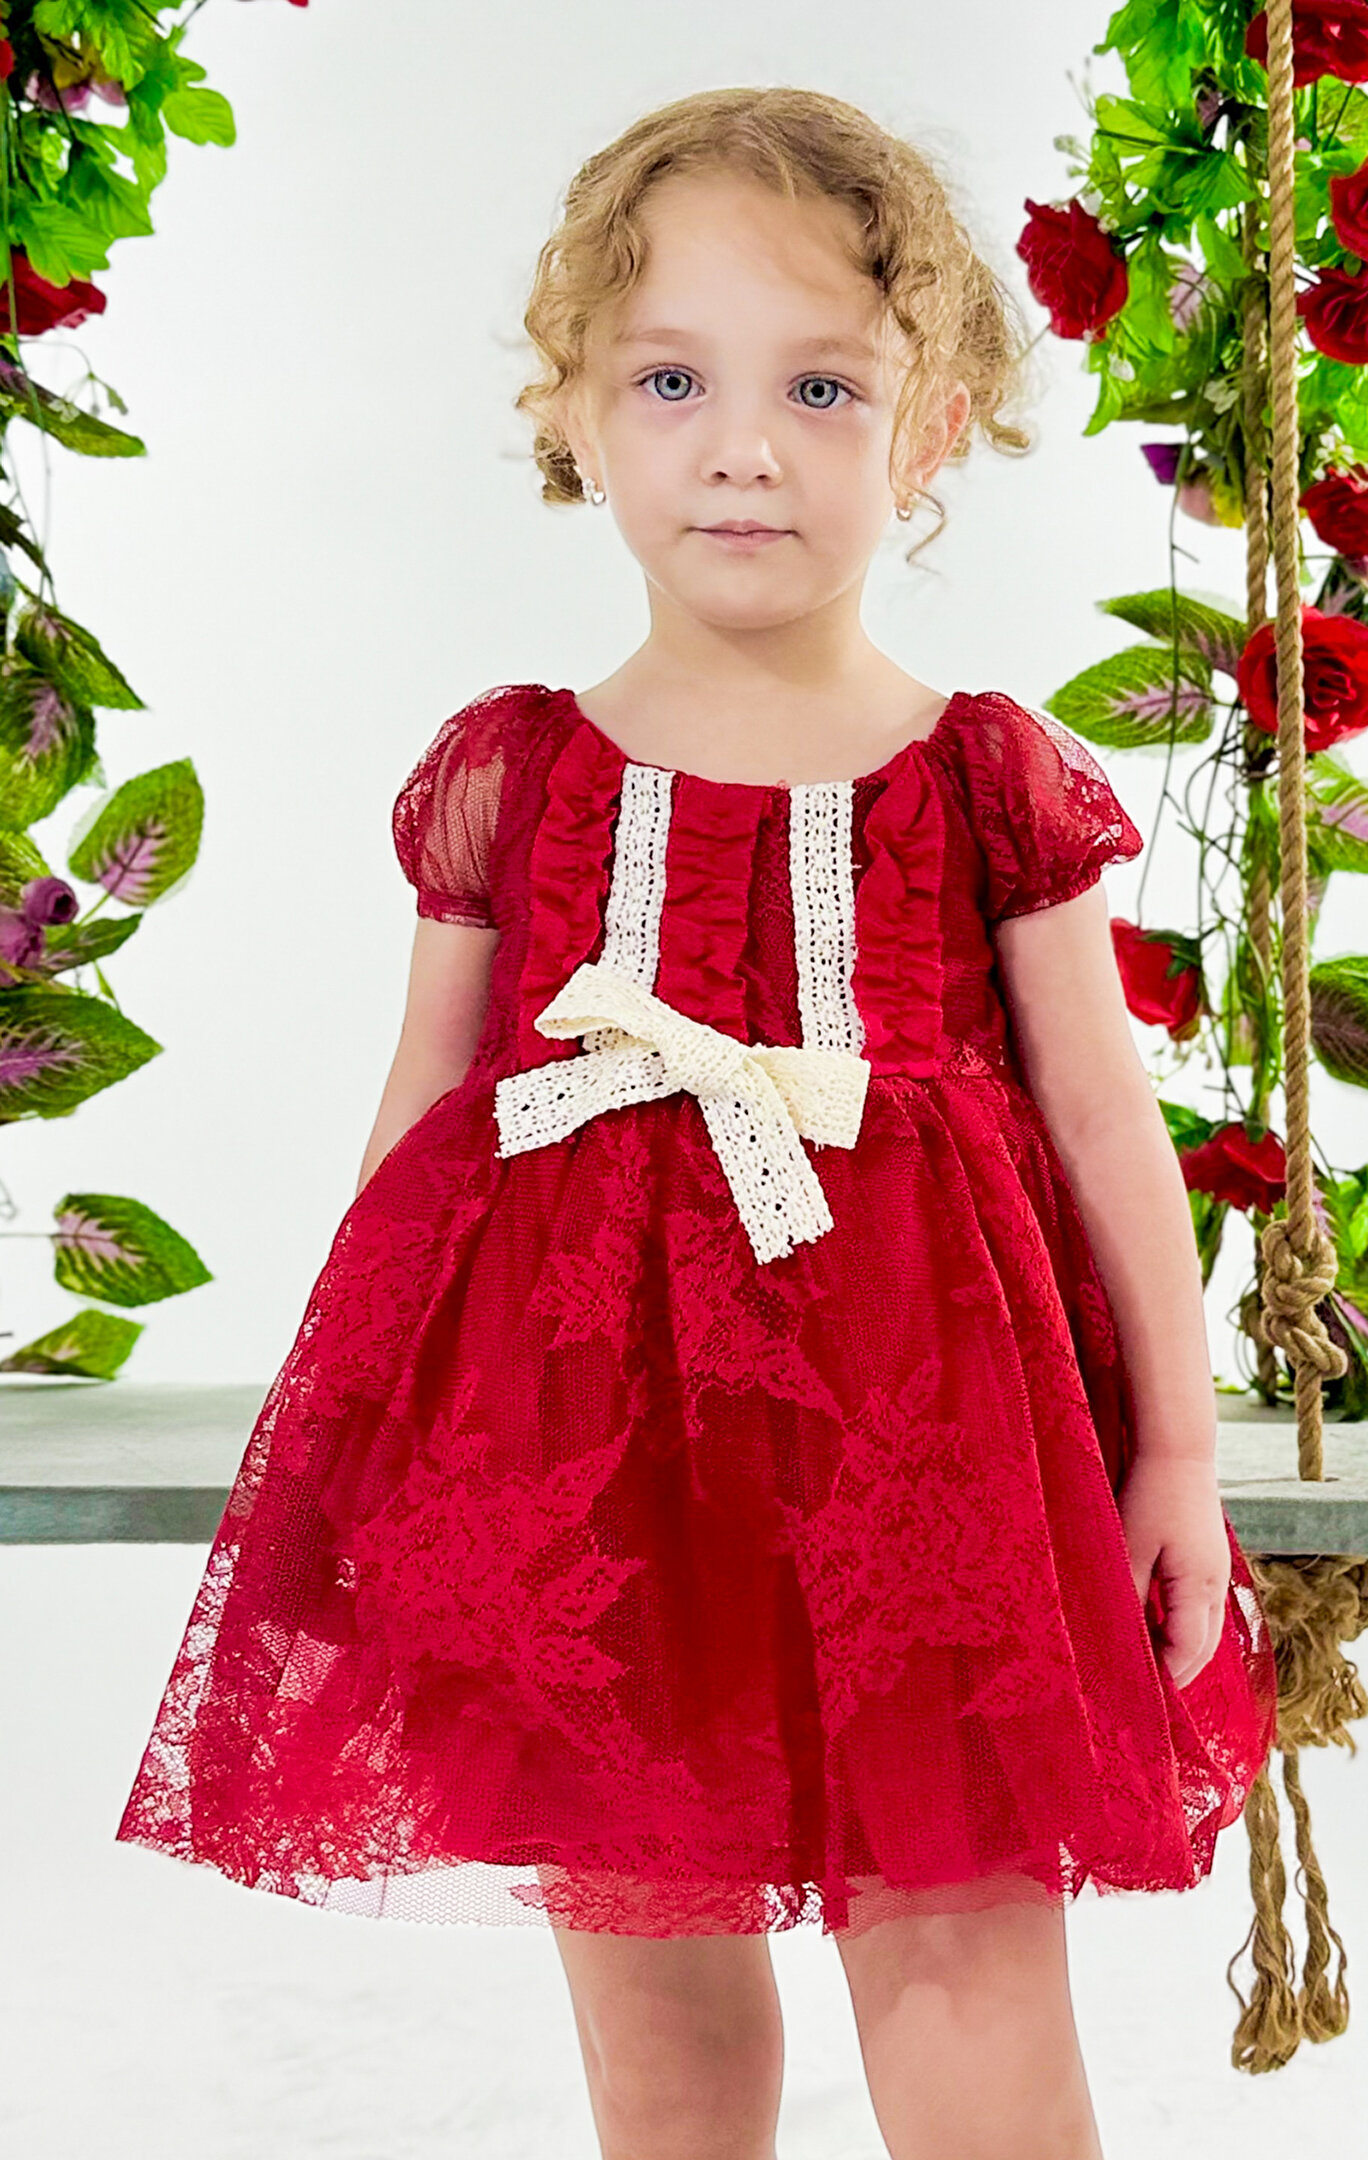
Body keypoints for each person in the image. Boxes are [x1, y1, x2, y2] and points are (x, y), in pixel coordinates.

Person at [117, 84, 1278, 2160]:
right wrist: (359, 1452)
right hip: (596, 1472)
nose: (745, 446)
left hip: (930, 1467)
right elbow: (424, 1120)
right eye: (673, 380)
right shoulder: (518, 776)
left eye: (822, 388)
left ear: (931, 433)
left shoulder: (980, 779)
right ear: (576, 413)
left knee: (967, 1988)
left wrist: (1177, 1454)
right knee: (661, 2035)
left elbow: (1110, 1129)